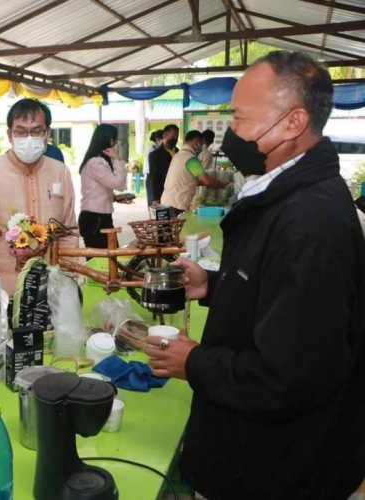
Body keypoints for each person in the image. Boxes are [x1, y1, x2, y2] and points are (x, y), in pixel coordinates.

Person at [145, 51, 365, 499]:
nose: (232, 134)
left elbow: (288, 377)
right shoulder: (286, 194)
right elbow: (281, 293)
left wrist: (194, 361)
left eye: (241, 119)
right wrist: (215, 283)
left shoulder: (309, 222)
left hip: (274, 470)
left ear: (292, 123)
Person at [0, 98, 77, 294]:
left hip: (50, 284)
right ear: (10, 134)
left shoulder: (60, 172)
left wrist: (71, 277)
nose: (29, 138)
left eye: (37, 131)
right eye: (21, 132)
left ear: (47, 133)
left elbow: (70, 230)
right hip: (3, 287)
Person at [78, 123, 128, 248]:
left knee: (108, 260)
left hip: (99, 217)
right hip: (95, 219)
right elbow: (119, 184)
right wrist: (118, 159)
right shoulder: (96, 163)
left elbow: (98, 190)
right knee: (103, 262)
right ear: (109, 140)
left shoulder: (98, 161)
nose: (116, 144)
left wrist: (114, 198)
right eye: (115, 140)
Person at [161, 129, 228, 217]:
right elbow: (206, 180)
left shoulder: (178, 155)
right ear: (196, 142)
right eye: (201, 143)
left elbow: (188, 179)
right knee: (179, 230)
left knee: (171, 230)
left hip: (166, 201)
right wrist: (223, 185)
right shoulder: (191, 160)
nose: (202, 146)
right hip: (178, 204)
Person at [147, 124, 179, 205]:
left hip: (177, 193)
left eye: (177, 136)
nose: (175, 139)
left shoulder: (179, 152)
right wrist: (155, 198)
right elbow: (153, 178)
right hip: (162, 192)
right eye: (173, 136)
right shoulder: (155, 155)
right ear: (165, 135)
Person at [144, 129, 162, 205]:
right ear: (158, 139)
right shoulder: (153, 147)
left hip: (151, 174)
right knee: (153, 200)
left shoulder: (153, 146)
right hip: (151, 175)